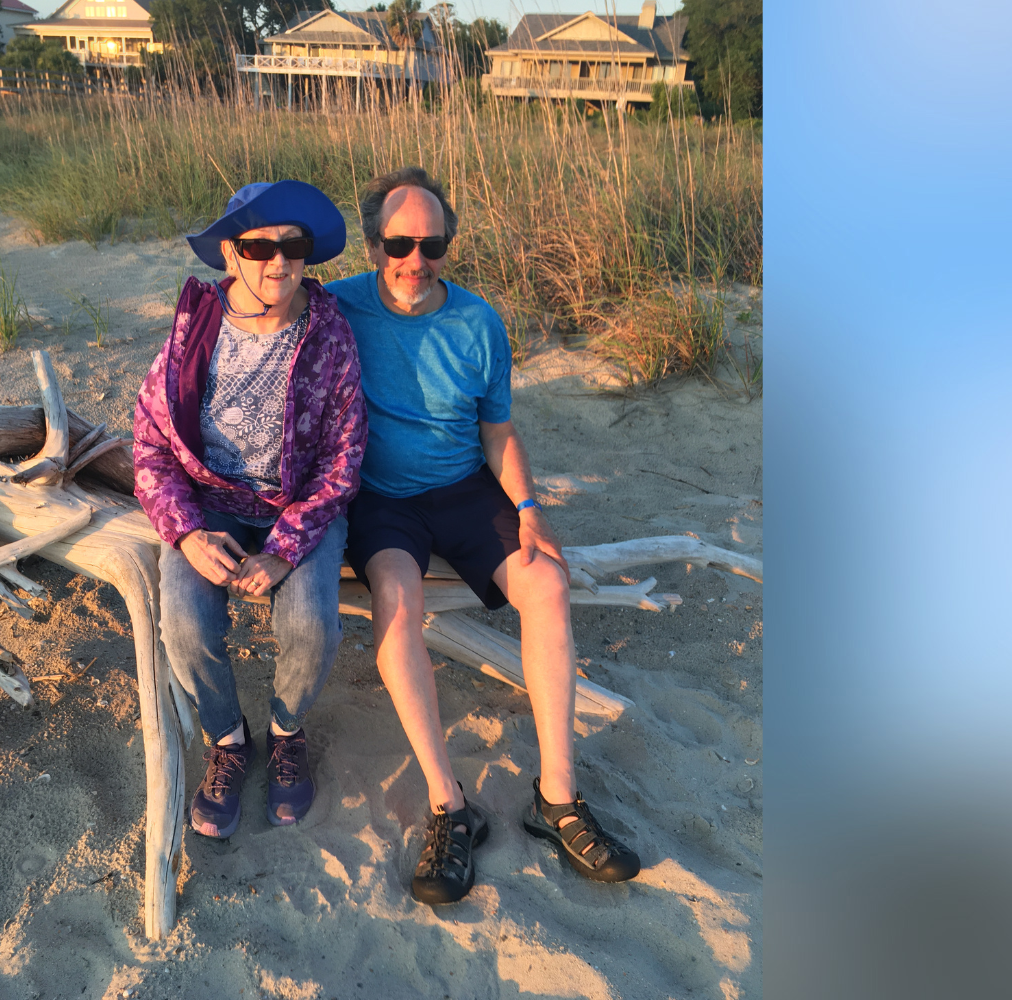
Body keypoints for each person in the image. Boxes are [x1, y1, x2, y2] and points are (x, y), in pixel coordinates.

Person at [327, 167, 640, 903]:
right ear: (373, 243)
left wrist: (529, 506)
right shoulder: (337, 306)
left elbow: (497, 430)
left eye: (431, 244)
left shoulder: (477, 321)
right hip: (382, 499)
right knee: (396, 602)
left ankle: (556, 799)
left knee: (547, 583)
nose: (415, 260)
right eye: (399, 244)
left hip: (464, 486)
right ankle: (449, 805)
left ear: (447, 245)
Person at [133, 180, 367, 839]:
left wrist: (284, 549)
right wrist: (186, 534)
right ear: (231, 254)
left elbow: (344, 456)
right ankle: (228, 739)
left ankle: (286, 732)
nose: (279, 261)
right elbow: (149, 444)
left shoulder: (328, 335)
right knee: (184, 622)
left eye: (293, 245)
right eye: (259, 247)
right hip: (209, 505)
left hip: (299, 506)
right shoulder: (196, 330)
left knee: (313, 625)